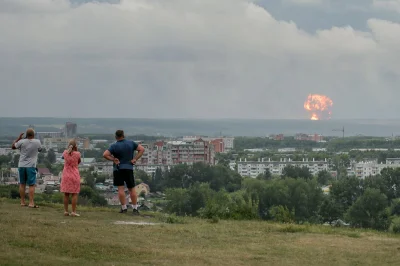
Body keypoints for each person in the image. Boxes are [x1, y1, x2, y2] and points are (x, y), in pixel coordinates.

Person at [103, 130, 145, 215]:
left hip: (118, 169)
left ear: (116, 137)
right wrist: (135, 159)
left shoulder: (114, 146)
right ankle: (135, 209)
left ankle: (124, 208)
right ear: (123, 135)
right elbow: (142, 149)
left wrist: (113, 159)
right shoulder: (131, 143)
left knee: (120, 189)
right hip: (129, 168)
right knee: (132, 189)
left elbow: (105, 154)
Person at [11, 128, 42, 208]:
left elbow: (13, 146)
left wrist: (19, 138)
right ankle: (31, 202)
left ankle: (22, 202)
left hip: (21, 165)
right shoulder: (37, 142)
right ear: (34, 135)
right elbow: (40, 149)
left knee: (22, 184)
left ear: (26, 135)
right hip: (31, 166)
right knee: (31, 184)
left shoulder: (21, 142)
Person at [60, 139, 81, 217]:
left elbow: (63, 157)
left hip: (66, 175)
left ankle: (66, 211)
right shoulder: (78, 154)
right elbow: (78, 162)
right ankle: (73, 211)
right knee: (74, 194)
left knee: (66, 194)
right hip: (74, 175)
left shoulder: (65, 153)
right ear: (75, 146)